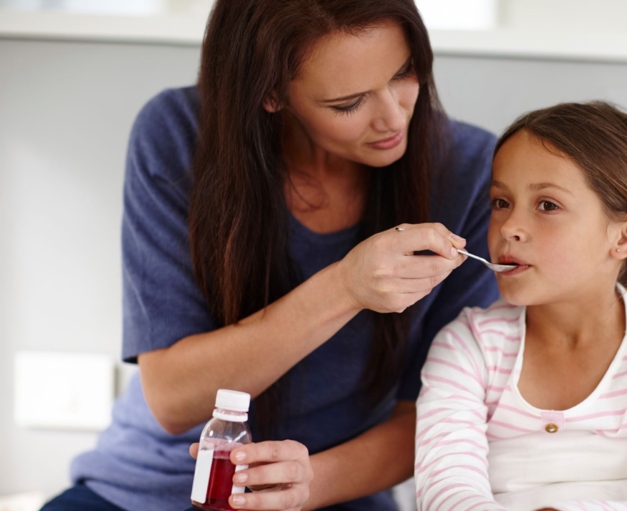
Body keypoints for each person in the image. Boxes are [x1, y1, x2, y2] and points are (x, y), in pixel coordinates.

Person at [40, 1, 500, 511]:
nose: (394, 116)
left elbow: (440, 415)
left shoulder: (471, 171)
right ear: (271, 95)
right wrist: (346, 287)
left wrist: (307, 483)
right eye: (349, 103)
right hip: (157, 486)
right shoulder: (177, 134)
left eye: (404, 73)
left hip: (334, 490)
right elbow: (174, 400)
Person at [414, 102, 627, 511]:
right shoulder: (466, 346)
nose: (509, 228)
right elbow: (445, 492)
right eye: (501, 202)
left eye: (547, 205)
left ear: (626, 236)